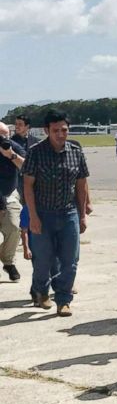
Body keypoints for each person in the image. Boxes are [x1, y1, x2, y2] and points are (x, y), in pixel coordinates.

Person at [21, 110, 90, 316]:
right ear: (46, 131)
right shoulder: (35, 152)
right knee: (43, 259)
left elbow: (82, 184)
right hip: (42, 214)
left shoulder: (76, 152)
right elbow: (27, 187)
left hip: (68, 213)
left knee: (70, 260)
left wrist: (83, 214)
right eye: (56, 130)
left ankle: (63, 299)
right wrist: (32, 216)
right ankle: (41, 290)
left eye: (64, 130)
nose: (61, 134)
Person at [0, 121, 27, 283]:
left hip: (8, 193)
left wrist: (10, 154)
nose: (2, 138)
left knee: (14, 227)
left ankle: (8, 261)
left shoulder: (12, 147)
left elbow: (27, 166)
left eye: (5, 134)